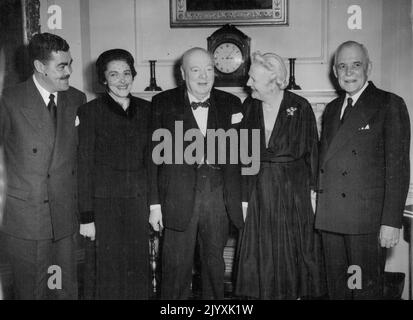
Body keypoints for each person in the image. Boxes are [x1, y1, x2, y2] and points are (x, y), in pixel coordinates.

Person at [315, 41, 410, 299]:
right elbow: (326, 162)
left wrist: (391, 221)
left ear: (369, 67)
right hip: (331, 219)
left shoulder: (389, 104)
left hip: (365, 223)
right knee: (338, 291)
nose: (348, 72)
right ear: (335, 72)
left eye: (356, 65)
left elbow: (398, 169)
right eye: (342, 66)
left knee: (363, 292)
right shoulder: (333, 109)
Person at [149, 47, 244, 299]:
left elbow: (241, 156)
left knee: (214, 264)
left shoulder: (232, 103)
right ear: (182, 74)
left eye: (209, 69)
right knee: (175, 267)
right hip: (177, 196)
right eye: (195, 70)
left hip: (217, 195)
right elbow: (151, 160)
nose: (204, 76)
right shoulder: (162, 103)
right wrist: (154, 205)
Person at [0, 33, 86, 299]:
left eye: (70, 63)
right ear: (39, 67)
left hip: (63, 217)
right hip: (26, 218)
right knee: (33, 292)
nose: (69, 71)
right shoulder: (8, 100)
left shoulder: (76, 99)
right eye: (62, 66)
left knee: (62, 288)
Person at [235, 51, 326, 299]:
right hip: (258, 193)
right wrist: (243, 197)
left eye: (253, 78)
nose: (248, 83)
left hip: (292, 193)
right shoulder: (249, 106)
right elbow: (243, 155)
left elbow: (313, 154)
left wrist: (315, 195)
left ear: (274, 79)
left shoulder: (300, 106)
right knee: (260, 257)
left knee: (294, 258)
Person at [77, 49, 151, 299]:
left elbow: (153, 161)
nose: (122, 79)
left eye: (127, 73)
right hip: (104, 206)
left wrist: (154, 205)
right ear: (103, 79)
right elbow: (84, 166)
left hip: (138, 202)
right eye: (114, 74)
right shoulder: (89, 112)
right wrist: (86, 216)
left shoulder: (148, 110)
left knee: (138, 268)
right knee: (107, 271)